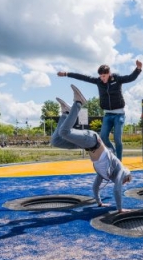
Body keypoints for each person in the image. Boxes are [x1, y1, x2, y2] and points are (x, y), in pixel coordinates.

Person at [51, 84, 132, 213]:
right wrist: (120, 209)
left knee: (55, 141)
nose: (125, 183)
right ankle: (78, 102)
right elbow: (117, 189)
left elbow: (95, 187)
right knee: (64, 132)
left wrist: (99, 203)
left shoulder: (105, 173)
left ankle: (66, 113)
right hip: (92, 140)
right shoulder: (121, 170)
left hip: (87, 146)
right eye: (127, 181)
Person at [57, 60, 143, 160]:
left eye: (104, 76)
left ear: (109, 74)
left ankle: (119, 161)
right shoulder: (98, 81)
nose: (102, 79)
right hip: (107, 115)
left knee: (117, 139)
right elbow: (83, 77)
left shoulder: (117, 79)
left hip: (119, 114)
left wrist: (138, 69)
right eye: (101, 76)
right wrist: (67, 74)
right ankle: (113, 154)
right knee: (103, 137)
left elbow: (130, 78)